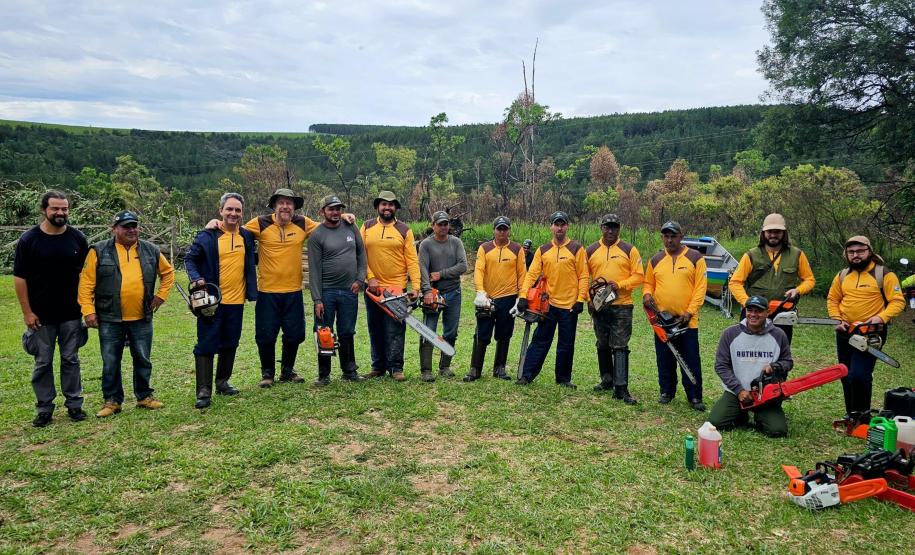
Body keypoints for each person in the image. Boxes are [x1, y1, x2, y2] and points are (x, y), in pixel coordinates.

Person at [78, 211, 175, 417]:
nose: (132, 230)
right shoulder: (99, 251)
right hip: (110, 317)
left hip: (141, 316)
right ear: (114, 229)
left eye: (134, 226)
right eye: (126, 227)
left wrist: (161, 296)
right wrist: (88, 311)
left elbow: (167, 273)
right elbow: (86, 284)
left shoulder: (151, 250)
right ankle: (112, 401)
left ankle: (144, 396)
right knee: (111, 360)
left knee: (142, 358)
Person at [14, 191, 89, 427]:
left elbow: (87, 276)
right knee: (43, 362)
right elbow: (19, 278)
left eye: (64, 209)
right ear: (44, 210)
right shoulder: (29, 240)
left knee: (71, 359)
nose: (60, 213)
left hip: (71, 313)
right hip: (41, 315)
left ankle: (74, 404)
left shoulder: (77, 239)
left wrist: (88, 306)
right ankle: (44, 407)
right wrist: (27, 312)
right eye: (55, 209)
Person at [185, 193, 257, 409]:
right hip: (211, 302)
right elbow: (190, 258)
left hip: (236, 301)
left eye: (237, 210)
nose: (233, 214)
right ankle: (203, 390)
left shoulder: (246, 236)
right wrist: (197, 278)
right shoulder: (208, 236)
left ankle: (222, 382)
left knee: (230, 342)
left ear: (242, 213)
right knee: (206, 343)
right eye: (229, 209)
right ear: (221, 211)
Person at [827, 236, 905, 414]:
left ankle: (862, 415)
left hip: (870, 333)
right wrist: (836, 318)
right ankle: (851, 414)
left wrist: (881, 317)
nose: (856, 255)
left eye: (860, 251)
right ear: (846, 254)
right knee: (846, 373)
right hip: (845, 331)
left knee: (859, 375)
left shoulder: (883, 274)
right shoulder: (842, 275)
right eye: (851, 252)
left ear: (869, 251)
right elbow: (833, 299)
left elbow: (897, 301)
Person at [515, 211, 589, 388]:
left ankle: (563, 378)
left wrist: (580, 299)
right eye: (556, 224)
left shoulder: (577, 249)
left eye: (563, 224)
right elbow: (531, 274)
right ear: (551, 227)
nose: (560, 228)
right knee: (540, 340)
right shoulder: (543, 250)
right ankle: (527, 375)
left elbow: (584, 276)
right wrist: (523, 296)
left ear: (567, 226)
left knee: (566, 344)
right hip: (547, 305)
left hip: (569, 306)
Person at [642, 221, 708, 411]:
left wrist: (689, 311)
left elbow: (700, 288)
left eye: (673, 236)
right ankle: (666, 391)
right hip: (663, 321)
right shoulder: (655, 260)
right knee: (664, 358)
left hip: (687, 320)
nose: (669, 240)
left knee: (690, 358)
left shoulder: (695, 258)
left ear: (681, 236)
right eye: (666, 236)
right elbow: (648, 283)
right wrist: (647, 295)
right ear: (662, 237)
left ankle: (695, 396)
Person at [709, 295, 794, 437]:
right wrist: (739, 390)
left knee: (777, 430)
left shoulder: (779, 335)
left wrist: (775, 366)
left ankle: (761, 416)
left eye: (759, 311)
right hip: (736, 392)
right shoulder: (730, 334)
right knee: (715, 422)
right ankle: (740, 413)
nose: (753, 314)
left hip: (766, 394)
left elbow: (788, 362)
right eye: (750, 310)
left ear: (768, 312)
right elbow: (721, 366)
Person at [361, 190, 422, 381]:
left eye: (391, 204)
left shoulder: (404, 230)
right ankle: (377, 366)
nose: (387, 208)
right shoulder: (366, 227)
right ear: (378, 206)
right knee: (375, 327)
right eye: (384, 204)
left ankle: (396, 368)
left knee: (395, 329)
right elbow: (360, 256)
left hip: (397, 288)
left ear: (395, 208)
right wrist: (369, 278)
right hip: (373, 289)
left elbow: (412, 260)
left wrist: (416, 287)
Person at [308, 195, 367, 385]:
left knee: (347, 331)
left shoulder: (351, 227)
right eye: (331, 209)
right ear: (322, 212)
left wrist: (360, 279)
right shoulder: (317, 235)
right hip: (327, 292)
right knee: (324, 332)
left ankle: (349, 370)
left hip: (350, 290)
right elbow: (314, 269)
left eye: (338, 209)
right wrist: (317, 299)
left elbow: (361, 253)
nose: (335, 212)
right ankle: (324, 374)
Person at [728, 213, 815, 342]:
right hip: (754, 313)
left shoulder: (797, 254)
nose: (773, 235)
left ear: (784, 233)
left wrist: (797, 290)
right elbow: (735, 282)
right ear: (763, 233)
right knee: (748, 352)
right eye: (770, 231)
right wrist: (747, 302)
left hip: (783, 313)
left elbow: (809, 280)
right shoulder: (751, 255)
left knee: (780, 352)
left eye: (777, 232)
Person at [585, 213, 644, 404]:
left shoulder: (629, 250)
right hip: (600, 306)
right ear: (601, 228)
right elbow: (584, 277)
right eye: (607, 227)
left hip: (622, 306)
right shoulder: (591, 250)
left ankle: (621, 388)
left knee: (619, 346)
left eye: (614, 227)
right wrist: (589, 299)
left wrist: (621, 284)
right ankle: (607, 380)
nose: (610, 231)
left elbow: (639, 276)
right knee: (602, 344)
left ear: (619, 229)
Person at [465, 215, 526, 382]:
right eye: (499, 228)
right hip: (488, 297)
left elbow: (522, 275)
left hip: (508, 297)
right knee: (482, 332)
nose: (502, 232)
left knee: (504, 333)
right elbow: (479, 271)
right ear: (494, 230)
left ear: (509, 230)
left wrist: (521, 297)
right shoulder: (484, 248)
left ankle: (500, 368)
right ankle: (475, 369)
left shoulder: (517, 249)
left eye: (505, 228)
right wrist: (480, 292)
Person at [418, 211, 468, 381]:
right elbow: (423, 269)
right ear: (433, 225)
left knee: (451, 331)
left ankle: (445, 366)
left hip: (454, 292)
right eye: (439, 224)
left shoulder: (456, 242)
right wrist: (426, 291)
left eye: (446, 224)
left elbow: (463, 266)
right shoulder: (426, 245)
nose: (443, 227)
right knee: (428, 330)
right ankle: (426, 370)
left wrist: (442, 273)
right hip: (433, 294)